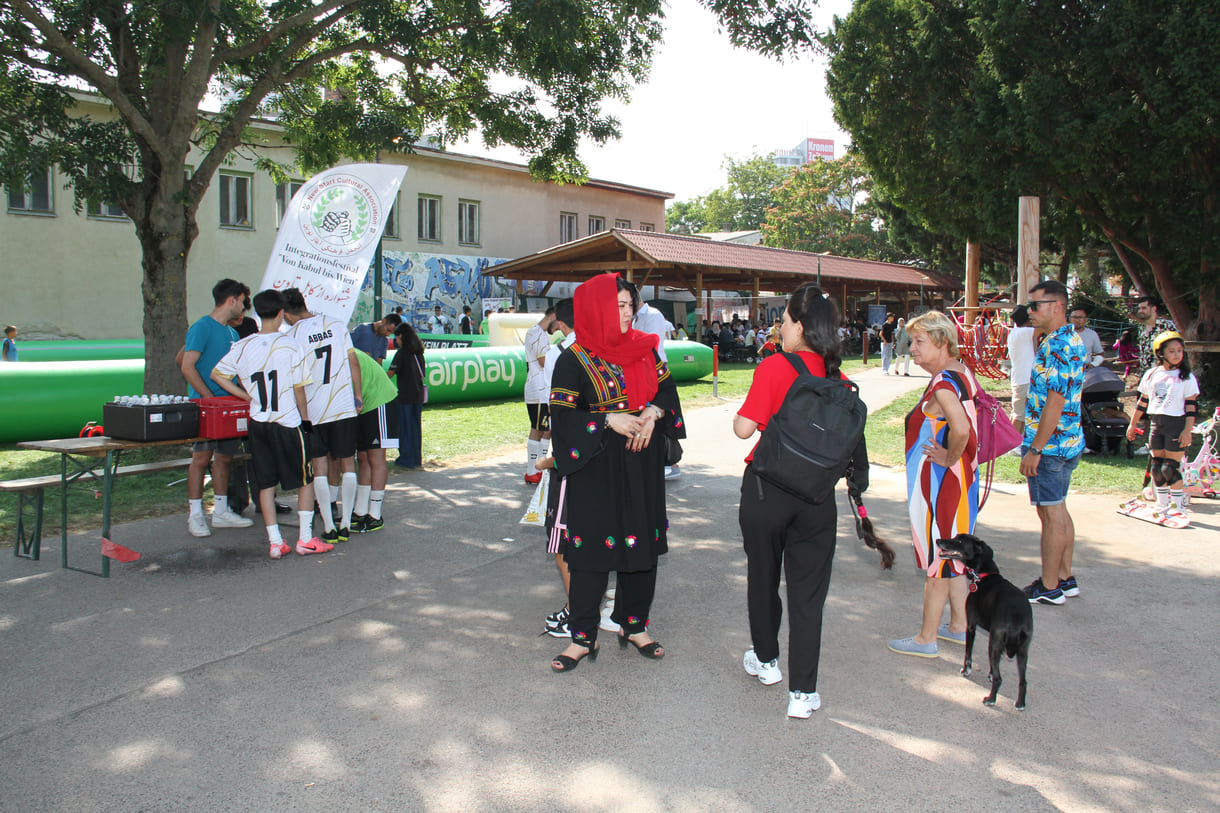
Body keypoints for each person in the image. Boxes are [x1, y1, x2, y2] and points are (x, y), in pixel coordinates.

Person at [733, 282, 871, 719]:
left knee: (763, 576)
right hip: (816, 498)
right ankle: (803, 693)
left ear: (798, 324)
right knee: (809, 594)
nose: (781, 329)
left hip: (766, 490)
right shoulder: (841, 381)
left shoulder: (775, 367)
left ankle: (766, 660)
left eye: (785, 321)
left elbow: (742, 428)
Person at [546, 273, 685, 672]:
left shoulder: (646, 350)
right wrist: (608, 419)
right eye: (619, 305)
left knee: (640, 547)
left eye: (630, 305)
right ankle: (582, 636)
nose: (628, 312)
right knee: (589, 553)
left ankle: (634, 624)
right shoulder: (573, 360)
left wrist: (653, 413)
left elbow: (666, 393)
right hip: (595, 469)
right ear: (597, 309)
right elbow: (562, 417)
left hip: (641, 467)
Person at [210, 289, 333, 559]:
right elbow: (300, 389)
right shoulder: (291, 345)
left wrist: (246, 395)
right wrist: (306, 421)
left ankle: (275, 541)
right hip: (288, 421)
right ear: (280, 313)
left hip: (258, 421)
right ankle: (304, 538)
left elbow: (217, 373)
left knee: (265, 483)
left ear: (257, 312)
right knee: (305, 479)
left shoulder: (243, 345)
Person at [887, 311, 979, 659]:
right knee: (954, 554)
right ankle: (958, 625)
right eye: (912, 341)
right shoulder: (958, 372)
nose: (912, 348)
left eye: (919, 341)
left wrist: (949, 457)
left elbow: (962, 429)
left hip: (945, 486)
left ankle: (927, 638)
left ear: (942, 342)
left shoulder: (944, 381)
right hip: (956, 484)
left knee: (940, 556)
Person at [1020, 279, 1087, 605]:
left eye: (1036, 305)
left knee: (1051, 516)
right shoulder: (1060, 340)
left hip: (1050, 447)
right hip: (1065, 442)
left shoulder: (1059, 344)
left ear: (1057, 306)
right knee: (1058, 508)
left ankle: (1049, 586)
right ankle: (1064, 577)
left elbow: (1055, 402)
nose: (1029, 311)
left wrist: (1035, 448)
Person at [282, 289, 363, 543]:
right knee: (348, 463)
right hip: (342, 404)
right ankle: (347, 523)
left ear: (286, 314)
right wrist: (357, 395)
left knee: (319, 465)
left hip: (313, 411)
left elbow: (293, 378)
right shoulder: (336, 325)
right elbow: (353, 362)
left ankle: (328, 526)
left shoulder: (293, 335)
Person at [180, 278, 255, 538]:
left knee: (224, 458)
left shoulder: (232, 333)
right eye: (243, 302)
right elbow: (186, 365)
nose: (245, 308)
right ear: (231, 300)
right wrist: (209, 398)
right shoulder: (201, 327)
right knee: (201, 459)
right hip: (206, 406)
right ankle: (195, 515)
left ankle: (221, 511)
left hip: (228, 407)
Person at [537, 297, 578, 637]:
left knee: (563, 541)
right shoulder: (607, 348)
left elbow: (558, 405)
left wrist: (550, 457)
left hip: (570, 455)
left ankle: (578, 614)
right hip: (603, 454)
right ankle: (593, 606)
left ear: (561, 323)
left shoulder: (559, 354)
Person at [1126, 332, 1199, 516]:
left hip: (1176, 423)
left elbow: (1191, 407)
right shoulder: (1152, 374)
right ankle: (1162, 504)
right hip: (1157, 423)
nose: (1177, 354)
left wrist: (1187, 431)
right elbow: (1143, 402)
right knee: (1157, 467)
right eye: (1172, 351)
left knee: (1170, 468)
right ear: (1161, 354)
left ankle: (1177, 506)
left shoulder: (1187, 377)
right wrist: (1132, 424)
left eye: (1180, 351)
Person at [351, 348, 399, 533]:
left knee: (376, 458)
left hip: (380, 401)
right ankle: (360, 511)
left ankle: (375, 514)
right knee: (362, 457)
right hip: (363, 404)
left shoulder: (345, 350)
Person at [522, 307, 557, 484]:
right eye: (557, 325)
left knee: (546, 428)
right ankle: (532, 469)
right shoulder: (537, 333)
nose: (557, 328)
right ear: (553, 316)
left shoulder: (537, 333)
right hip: (538, 390)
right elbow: (543, 361)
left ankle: (540, 467)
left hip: (542, 389)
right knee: (538, 428)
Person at [388, 323, 427, 469]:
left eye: (396, 337)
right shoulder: (418, 352)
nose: (395, 341)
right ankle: (416, 458)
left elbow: (390, 374)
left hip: (405, 396)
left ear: (401, 336)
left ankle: (406, 458)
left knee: (405, 427)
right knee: (415, 427)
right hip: (418, 394)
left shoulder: (401, 354)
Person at [1006, 305, 1035, 437]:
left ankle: (1012, 441)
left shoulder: (1017, 332)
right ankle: (1014, 445)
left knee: (1017, 413)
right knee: (1020, 415)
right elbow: (1045, 327)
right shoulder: (1024, 332)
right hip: (1023, 380)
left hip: (1021, 379)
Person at [1133, 295, 1177, 376]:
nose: (1140, 311)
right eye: (1139, 308)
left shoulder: (1166, 326)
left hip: (1164, 375)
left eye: (1144, 308)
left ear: (1154, 309)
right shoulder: (1141, 328)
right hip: (1146, 376)